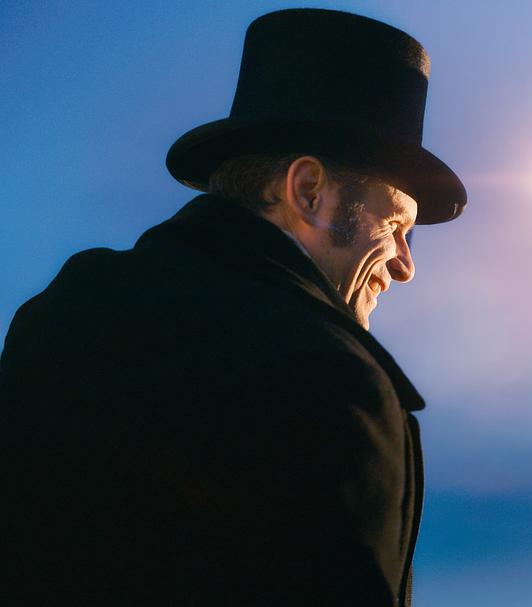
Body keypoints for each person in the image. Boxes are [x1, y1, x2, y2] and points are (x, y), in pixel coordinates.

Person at [0, 9, 465, 606]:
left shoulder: (61, 317)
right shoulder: (332, 384)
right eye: (395, 224)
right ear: (309, 192)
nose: (405, 265)